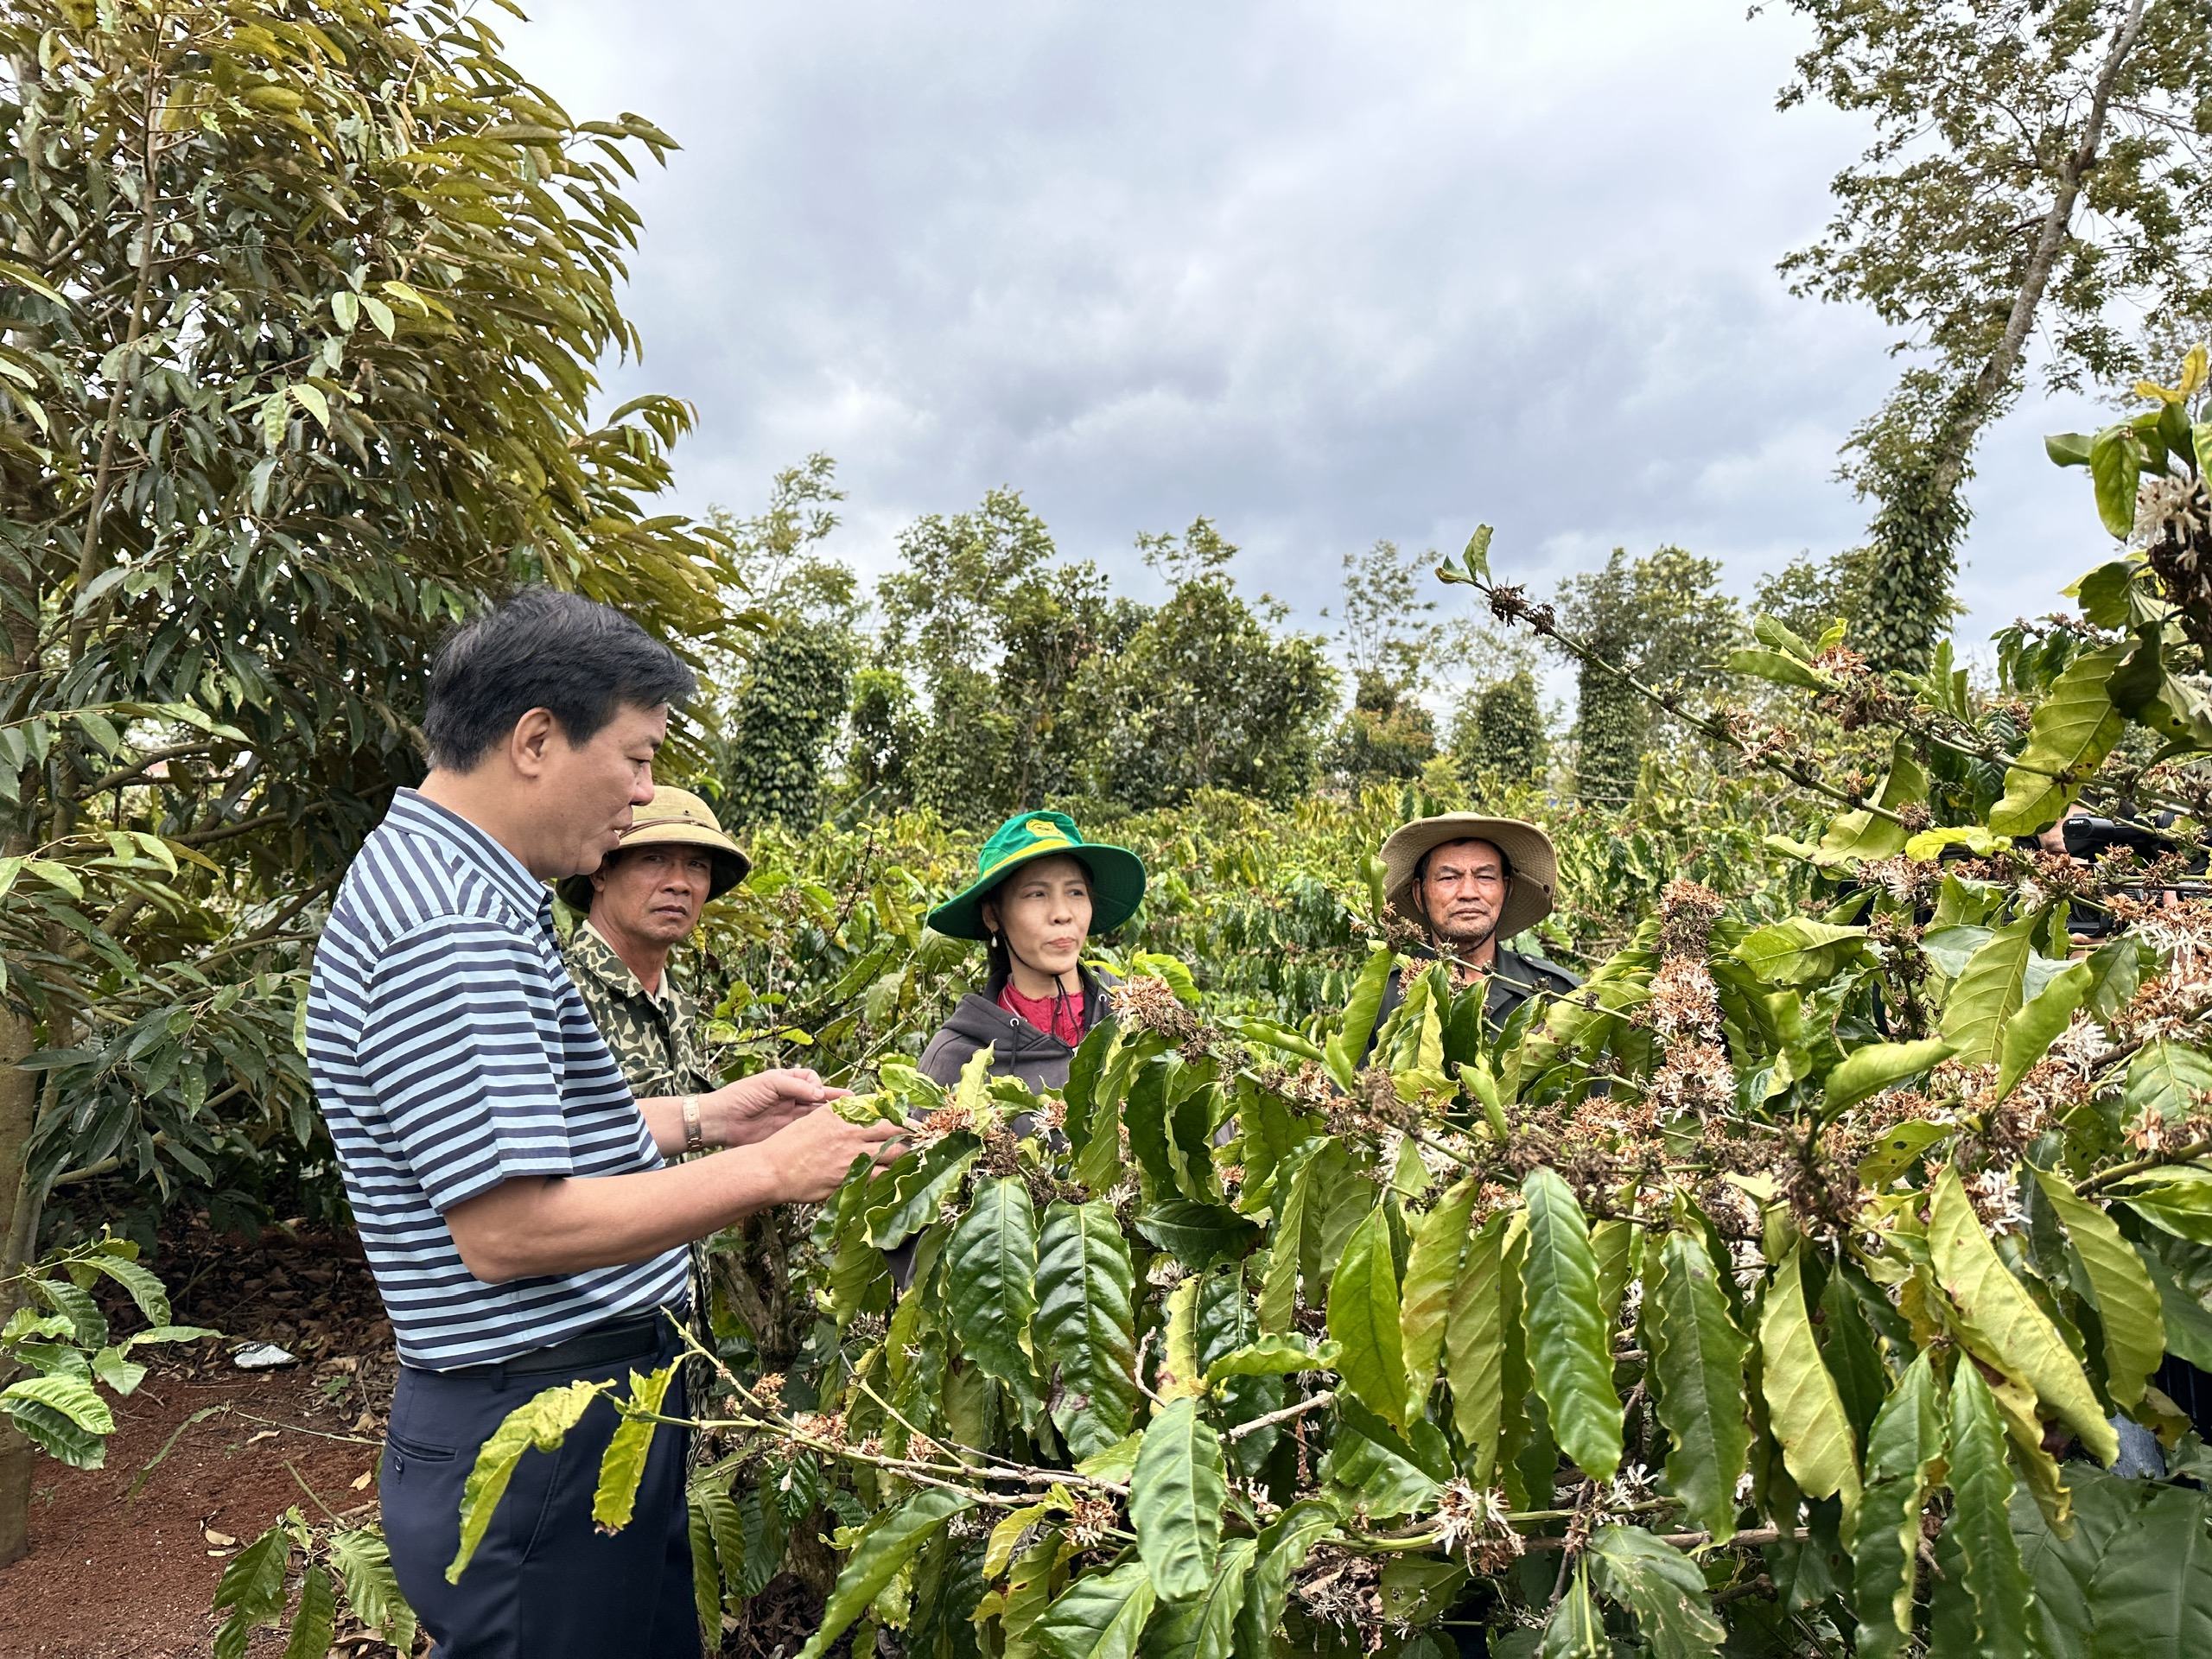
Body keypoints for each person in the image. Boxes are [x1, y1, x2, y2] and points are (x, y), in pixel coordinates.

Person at [305, 588, 902, 1659]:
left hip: (565, 1417)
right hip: (539, 1427)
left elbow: (511, 1135)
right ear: (536, 739)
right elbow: (509, 1229)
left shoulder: (457, 886)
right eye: (634, 759)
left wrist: (704, 1117)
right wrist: (774, 1174)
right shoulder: (454, 927)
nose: (642, 796)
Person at [917, 810, 1147, 1090]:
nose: (1062, 914)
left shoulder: (1141, 1018)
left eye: (1076, 892)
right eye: (1037, 894)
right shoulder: (955, 1058)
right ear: (992, 915)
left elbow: (1205, 1128)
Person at [557, 784, 749, 1106]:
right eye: (654, 859)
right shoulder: (561, 995)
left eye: (697, 865)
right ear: (600, 872)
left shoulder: (675, 1004)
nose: (679, 884)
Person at [1373, 811, 1579, 1029]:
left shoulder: (1557, 993)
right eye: (1449, 877)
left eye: (1485, 877)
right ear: (1419, 894)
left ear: (1506, 890)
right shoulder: (1381, 997)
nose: (1469, 892)